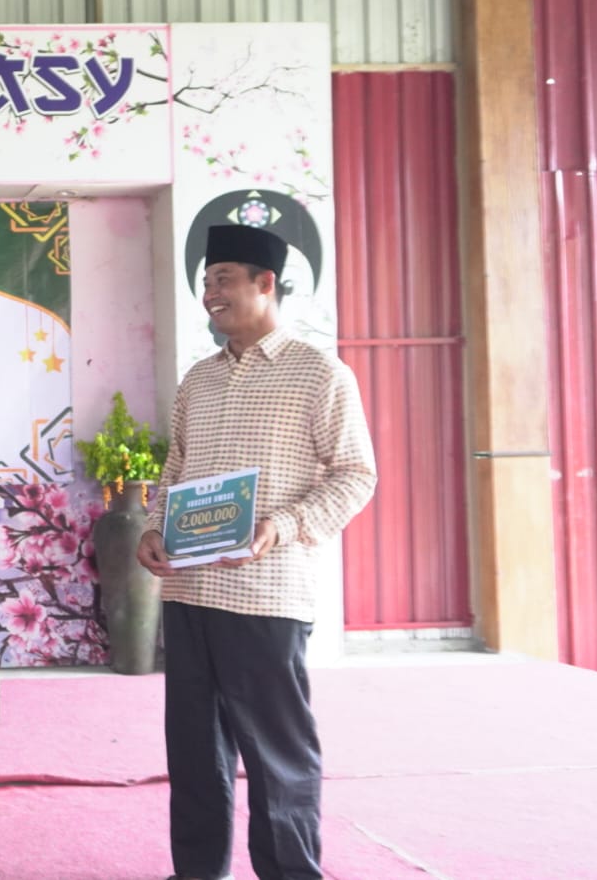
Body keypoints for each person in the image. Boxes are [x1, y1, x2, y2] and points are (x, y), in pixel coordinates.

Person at [136, 224, 378, 880]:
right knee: (193, 752)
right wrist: (154, 527)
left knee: (276, 753)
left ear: (264, 283)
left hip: (266, 595)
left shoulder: (320, 374)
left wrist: (281, 525)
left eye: (222, 279)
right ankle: (197, 871)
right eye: (206, 282)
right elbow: (174, 470)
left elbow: (356, 475)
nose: (209, 293)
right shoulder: (199, 379)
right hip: (188, 591)